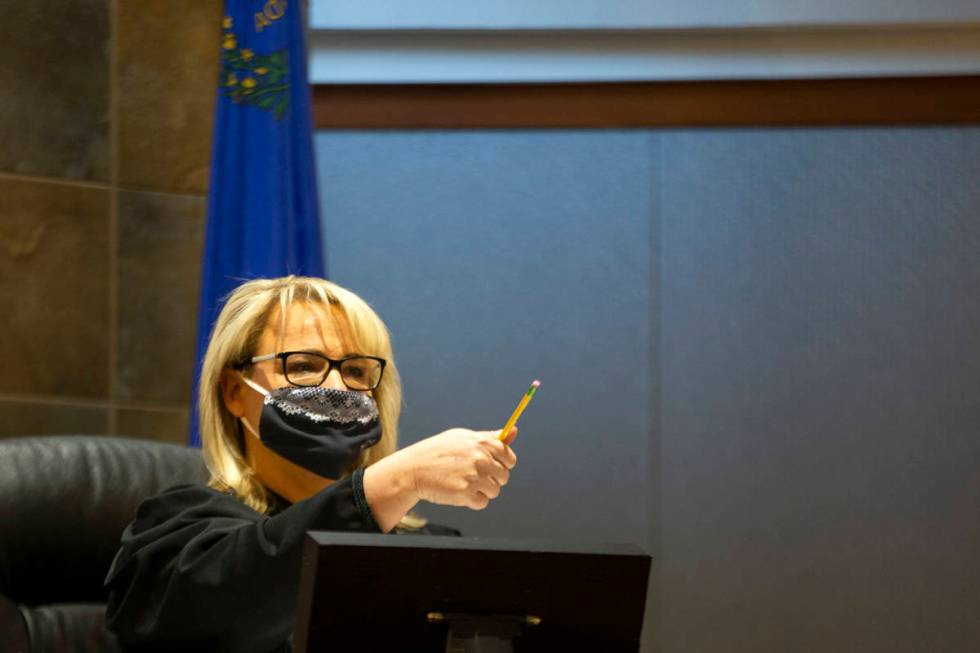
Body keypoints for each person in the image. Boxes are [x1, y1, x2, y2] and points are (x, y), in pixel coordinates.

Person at [104, 276, 518, 652]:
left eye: (356, 370)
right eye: (303, 366)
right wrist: (395, 482)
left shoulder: (431, 550)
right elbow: (231, 601)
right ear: (233, 391)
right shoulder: (176, 537)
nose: (337, 387)